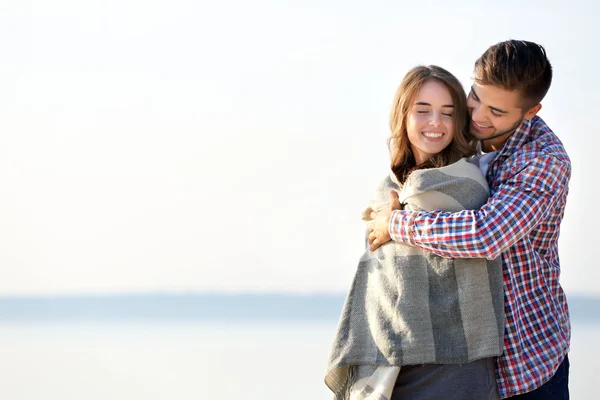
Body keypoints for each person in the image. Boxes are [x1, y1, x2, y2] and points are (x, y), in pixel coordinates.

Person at [368, 40, 571, 399]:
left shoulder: (543, 160)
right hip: (465, 365)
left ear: (531, 111)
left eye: (496, 111)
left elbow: (486, 234)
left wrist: (396, 225)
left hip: (527, 360)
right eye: (476, 97)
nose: (478, 116)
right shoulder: (466, 135)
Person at [325, 65, 504, 400]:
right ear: (403, 115)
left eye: (447, 113)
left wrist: (396, 222)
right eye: (423, 110)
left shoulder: (464, 184)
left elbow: (476, 242)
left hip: (454, 365)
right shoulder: (392, 188)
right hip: (396, 363)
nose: (435, 123)